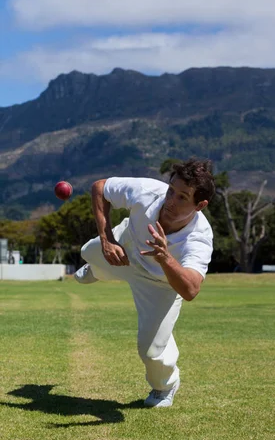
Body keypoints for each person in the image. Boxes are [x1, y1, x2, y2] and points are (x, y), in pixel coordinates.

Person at [74, 159, 215, 408]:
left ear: (200, 205)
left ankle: (166, 386)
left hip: (160, 284)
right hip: (125, 248)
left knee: (151, 352)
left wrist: (165, 257)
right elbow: (99, 188)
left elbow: (191, 289)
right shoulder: (147, 191)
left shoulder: (199, 238)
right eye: (171, 189)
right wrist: (107, 240)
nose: (171, 200)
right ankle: (99, 267)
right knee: (90, 250)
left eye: (183, 197)